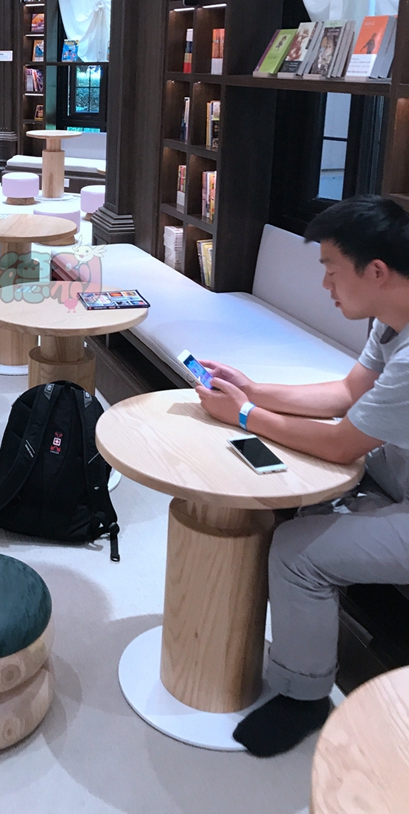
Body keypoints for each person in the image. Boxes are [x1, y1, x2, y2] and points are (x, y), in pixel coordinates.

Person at [196, 194, 409, 757]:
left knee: (296, 552)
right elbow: (346, 393)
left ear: (377, 271)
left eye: (332, 270)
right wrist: (252, 390)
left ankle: (304, 698)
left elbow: (343, 443)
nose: (325, 285)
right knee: (301, 480)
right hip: (400, 467)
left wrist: (244, 415)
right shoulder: (392, 321)